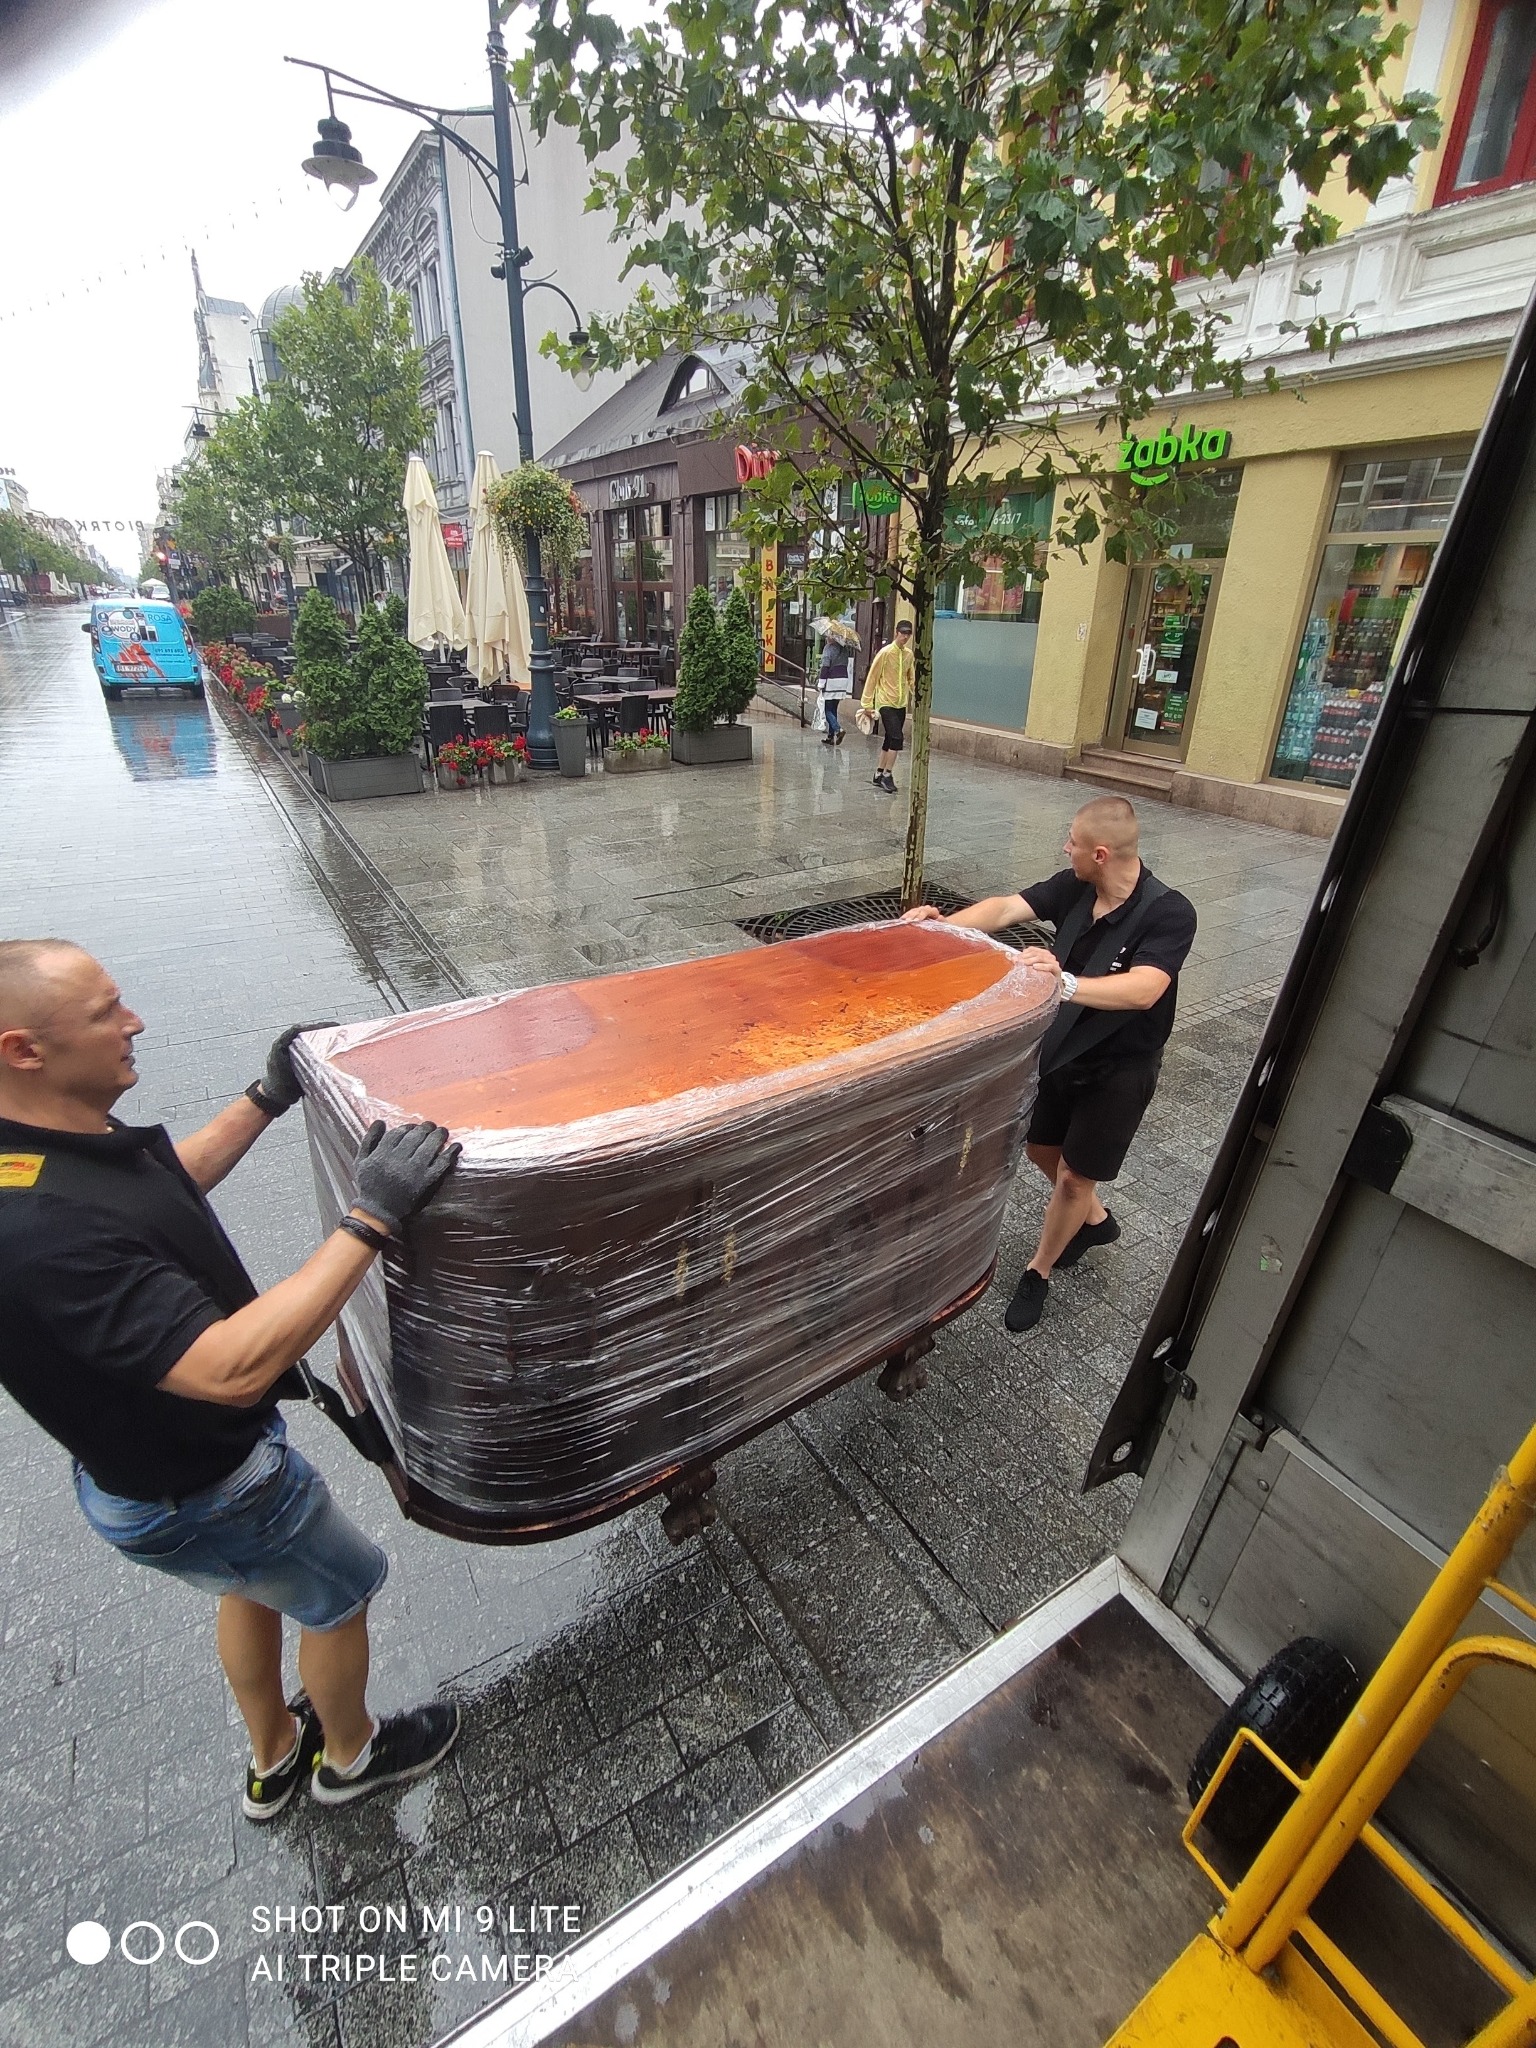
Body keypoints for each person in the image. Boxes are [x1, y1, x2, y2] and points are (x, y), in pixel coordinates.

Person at [0, 939, 463, 1821]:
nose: (134, 1022)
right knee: (340, 1591)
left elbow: (162, 1188)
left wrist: (267, 1097)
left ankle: (273, 1754)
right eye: (105, 1013)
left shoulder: (38, 1137)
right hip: (213, 1488)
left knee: (248, 1584)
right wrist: (373, 1216)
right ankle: (353, 1757)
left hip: (149, 1482)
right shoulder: (36, 1235)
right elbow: (232, 1366)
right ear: (24, 1048)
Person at [902, 796, 1196, 1333]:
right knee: (1039, 1146)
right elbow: (1004, 909)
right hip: (1062, 1047)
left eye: (1074, 844)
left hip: (1120, 1070)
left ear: (1101, 853)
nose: (1066, 849)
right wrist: (941, 932)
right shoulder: (1077, 886)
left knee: (1072, 1178)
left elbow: (1147, 989)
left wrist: (1063, 982)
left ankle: (1039, 1271)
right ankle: (1094, 1222)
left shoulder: (1170, 912)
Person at [860, 618, 914, 793]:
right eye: (903, 633)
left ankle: (878, 772)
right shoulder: (885, 653)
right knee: (897, 738)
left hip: (900, 703)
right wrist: (867, 703)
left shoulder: (908, 655)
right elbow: (872, 677)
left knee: (890, 739)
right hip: (885, 702)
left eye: (908, 634)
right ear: (896, 633)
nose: (905, 637)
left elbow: (910, 677)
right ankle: (888, 775)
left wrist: (915, 692)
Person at [816, 626, 856, 745]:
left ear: (833, 637)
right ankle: (830, 736)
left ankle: (838, 730)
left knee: (827, 709)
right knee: (834, 709)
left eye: (829, 635)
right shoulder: (844, 649)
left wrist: (821, 683)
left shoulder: (828, 649)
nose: (827, 637)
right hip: (842, 681)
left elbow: (825, 667)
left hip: (831, 681)